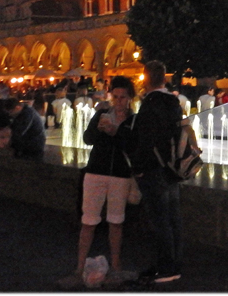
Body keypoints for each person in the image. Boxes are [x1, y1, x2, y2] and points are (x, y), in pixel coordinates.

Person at [72, 76, 136, 285]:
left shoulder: (134, 121)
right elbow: (87, 139)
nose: (118, 101)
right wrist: (99, 130)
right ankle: (79, 267)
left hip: (120, 175)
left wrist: (115, 132)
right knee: (88, 221)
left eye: (122, 97)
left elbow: (133, 147)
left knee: (116, 221)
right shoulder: (101, 114)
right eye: (115, 97)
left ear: (130, 98)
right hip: (95, 172)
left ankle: (116, 267)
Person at [126, 60, 184, 283]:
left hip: (153, 169)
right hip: (171, 169)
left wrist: (138, 168)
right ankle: (173, 263)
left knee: (160, 221)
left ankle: (167, 268)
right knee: (173, 219)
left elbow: (147, 139)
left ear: (147, 78)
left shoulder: (151, 103)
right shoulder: (173, 101)